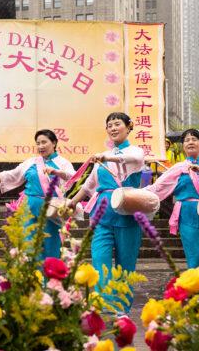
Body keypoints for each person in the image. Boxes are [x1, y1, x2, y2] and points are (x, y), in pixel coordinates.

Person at [67, 112, 144, 312]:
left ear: (128, 127)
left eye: (117, 124)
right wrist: (72, 202)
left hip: (127, 213)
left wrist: (107, 156)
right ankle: (104, 306)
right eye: (109, 125)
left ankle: (122, 310)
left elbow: (132, 158)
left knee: (125, 266)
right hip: (102, 215)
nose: (112, 128)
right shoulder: (103, 157)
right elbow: (89, 185)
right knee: (100, 261)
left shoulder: (135, 152)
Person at [0, 129, 76, 259]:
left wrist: (55, 172)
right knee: (28, 246)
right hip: (29, 208)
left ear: (54, 143)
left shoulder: (63, 163)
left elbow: (73, 177)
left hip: (52, 209)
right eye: (38, 143)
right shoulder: (31, 162)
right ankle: (31, 277)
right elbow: (10, 175)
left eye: (44, 142)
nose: (40, 146)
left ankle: (49, 277)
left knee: (51, 246)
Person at [146, 129, 199, 270]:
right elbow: (158, 186)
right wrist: (138, 194)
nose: (190, 142)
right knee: (195, 255)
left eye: (194, 139)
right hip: (188, 213)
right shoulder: (178, 167)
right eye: (187, 140)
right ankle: (198, 288)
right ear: (183, 146)